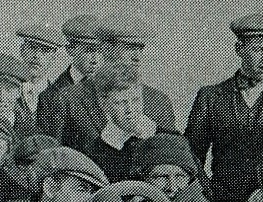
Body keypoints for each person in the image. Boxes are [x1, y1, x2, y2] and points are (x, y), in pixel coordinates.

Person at [185, 13, 263, 202]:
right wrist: (207, 193)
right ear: (239, 49)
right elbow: (191, 156)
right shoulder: (210, 97)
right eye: (258, 50)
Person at [46, 13, 176, 153]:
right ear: (106, 49)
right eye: (130, 48)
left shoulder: (159, 101)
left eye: (140, 48)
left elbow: (174, 158)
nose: (137, 57)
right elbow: (54, 158)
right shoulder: (68, 99)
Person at [129, 132, 248, 202]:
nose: (172, 186)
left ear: (190, 178)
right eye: (161, 177)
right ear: (143, 179)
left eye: (180, 176)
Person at [80, 64, 160, 182]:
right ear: (104, 105)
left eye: (136, 100)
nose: (130, 110)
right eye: (121, 103)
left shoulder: (164, 137)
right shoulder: (93, 154)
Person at [35, 14, 102, 140]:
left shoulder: (110, 90)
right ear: (70, 50)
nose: (96, 60)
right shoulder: (50, 97)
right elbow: (52, 153)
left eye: (100, 51)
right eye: (89, 50)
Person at [16, 22, 65, 117]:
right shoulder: (6, 91)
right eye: (32, 47)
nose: (37, 56)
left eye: (45, 50)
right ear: (22, 50)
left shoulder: (61, 98)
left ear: (54, 57)